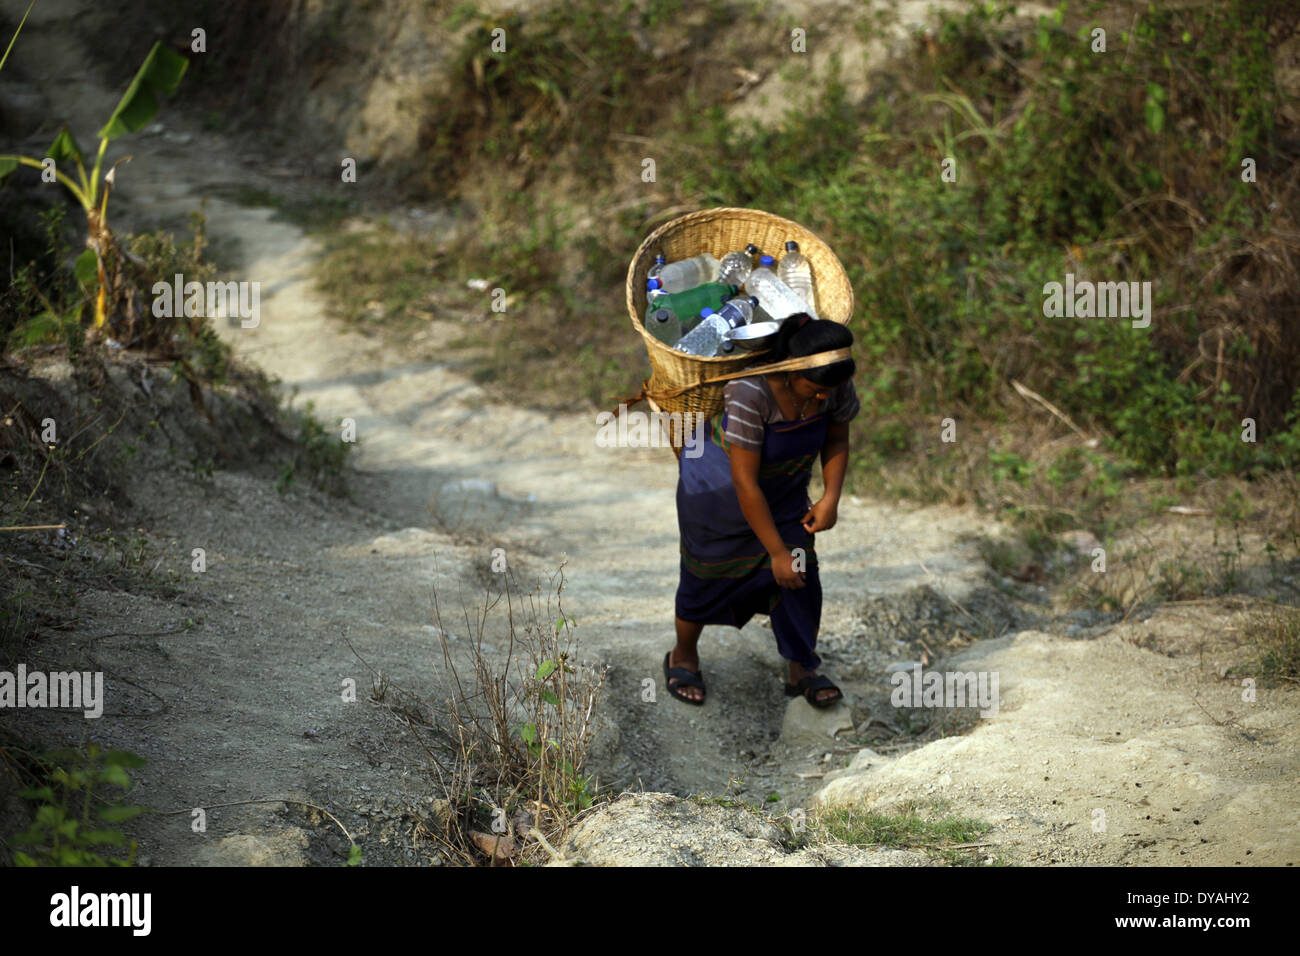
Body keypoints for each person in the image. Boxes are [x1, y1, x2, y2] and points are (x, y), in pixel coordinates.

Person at [663, 314, 858, 708]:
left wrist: (830, 498)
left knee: (801, 572)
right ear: (790, 369)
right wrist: (776, 553)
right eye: (816, 390)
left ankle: (802, 667)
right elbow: (745, 483)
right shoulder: (750, 392)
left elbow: (837, 435)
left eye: (829, 392)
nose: (823, 398)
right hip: (717, 493)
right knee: (707, 574)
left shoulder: (831, 381)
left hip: (783, 490)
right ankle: (683, 655)